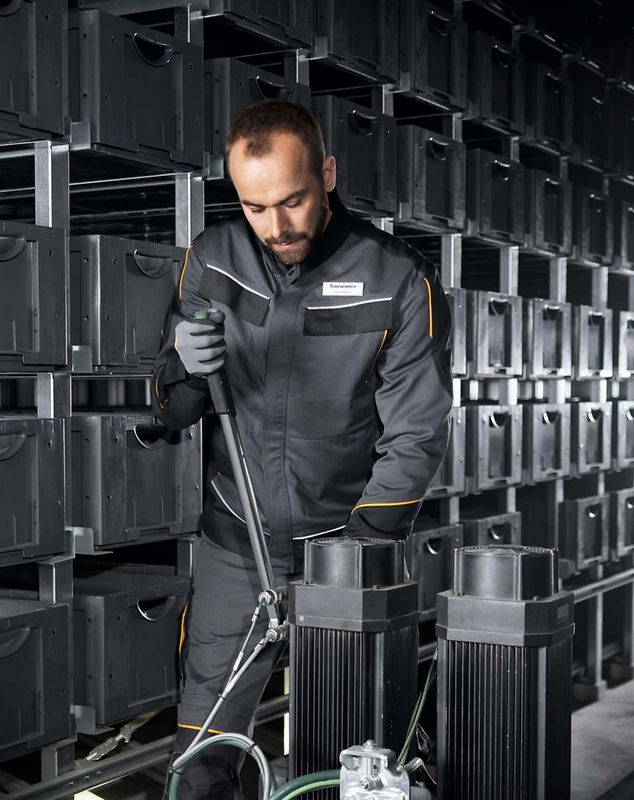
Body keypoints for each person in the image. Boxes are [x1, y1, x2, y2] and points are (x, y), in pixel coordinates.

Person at [151, 99, 454, 799]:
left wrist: (354, 558)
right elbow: (172, 412)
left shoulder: (398, 278)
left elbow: (417, 431)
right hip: (235, 549)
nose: (277, 226)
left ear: (328, 173)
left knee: (348, 760)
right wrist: (181, 370)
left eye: (293, 200)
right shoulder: (213, 258)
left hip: (343, 550)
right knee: (203, 761)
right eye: (256, 207)